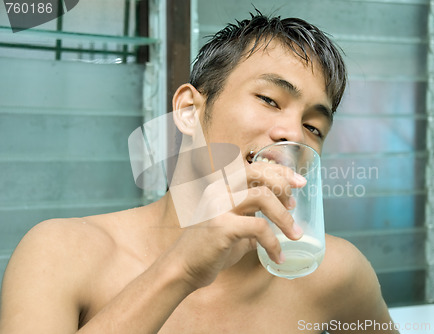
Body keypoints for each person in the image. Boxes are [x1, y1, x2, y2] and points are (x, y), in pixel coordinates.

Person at [0, 11, 398, 334]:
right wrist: (181, 270)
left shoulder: (335, 274)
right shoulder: (61, 253)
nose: (293, 135)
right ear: (189, 111)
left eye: (314, 128)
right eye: (269, 99)